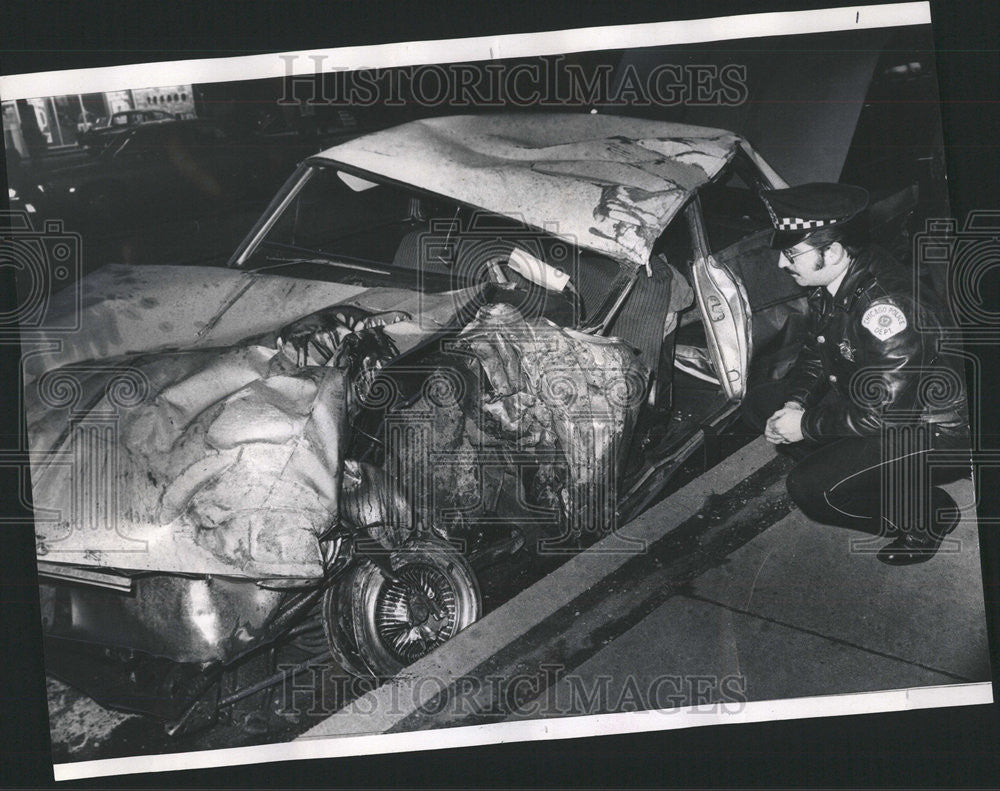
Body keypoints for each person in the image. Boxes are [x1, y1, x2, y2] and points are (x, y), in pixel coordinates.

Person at [742, 182, 970, 565]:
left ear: (831, 251)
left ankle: (928, 516)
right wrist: (795, 403)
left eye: (791, 254)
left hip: (934, 428)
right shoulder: (837, 273)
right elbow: (817, 351)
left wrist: (807, 425)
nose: (782, 264)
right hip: (877, 396)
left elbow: (888, 415)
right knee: (762, 404)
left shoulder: (886, 310)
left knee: (813, 490)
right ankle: (876, 475)